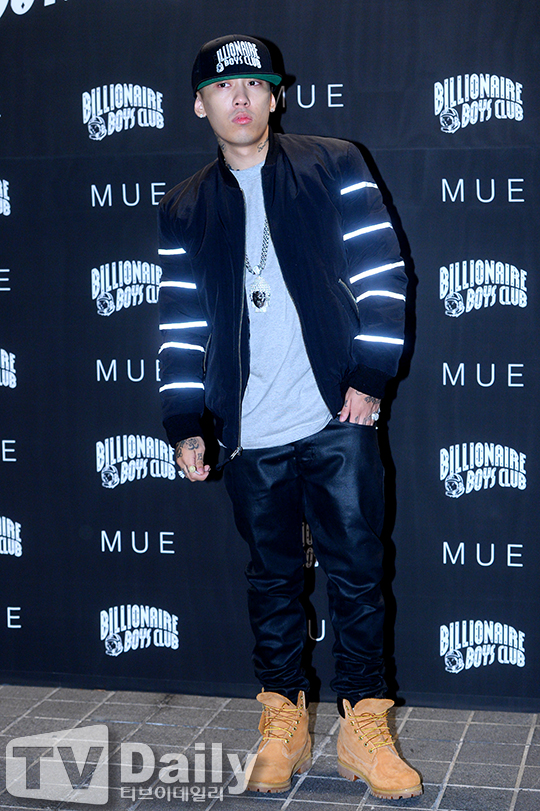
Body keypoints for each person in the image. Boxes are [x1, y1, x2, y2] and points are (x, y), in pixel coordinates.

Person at [157, 34, 422, 800]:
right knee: (272, 579)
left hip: (337, 413)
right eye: (223, 86)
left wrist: (369, 375)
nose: (239, 97)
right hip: (248, 430)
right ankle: (284, 722)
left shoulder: (334, 162)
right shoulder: (184, 206)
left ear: (275, 96)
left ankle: (364, 728)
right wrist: (185, 418)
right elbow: (179, 321)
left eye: (254, 83)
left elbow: (383, 272)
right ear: (200, 104)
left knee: (358, 574)